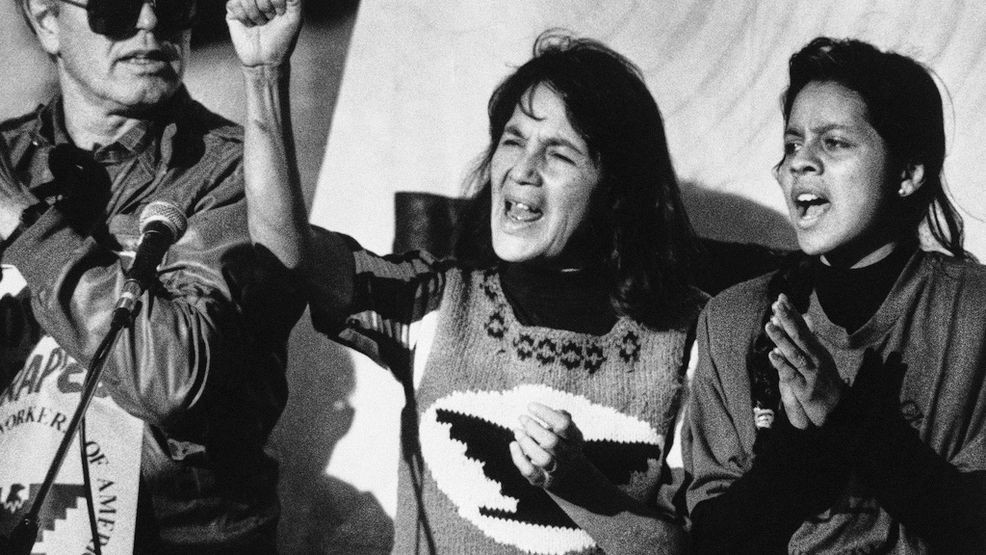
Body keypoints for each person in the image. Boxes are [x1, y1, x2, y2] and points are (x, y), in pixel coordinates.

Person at [227, 0, 705, 552]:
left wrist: (580, 487)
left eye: (559, 155)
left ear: (618, 193)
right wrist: (264, 74)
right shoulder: (435, 304)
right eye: (513, 140)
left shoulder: (688, 341)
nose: (522, 170)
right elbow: (284, 247)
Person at [0, 0, 302, 552]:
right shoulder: (9, 160)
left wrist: (25, 226)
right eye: (113, 7)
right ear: (46, 21)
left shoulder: (236, 170)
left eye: (172, 4)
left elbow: (172, 381)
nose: (148, 24)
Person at [684, 36, 986, 553]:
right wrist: (798, 449)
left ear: (908, 173)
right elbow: (712, 540)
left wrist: (846, 419)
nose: (801, 161)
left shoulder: (973, 316)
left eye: (834, 142)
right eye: (793, 143)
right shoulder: (732, 321)